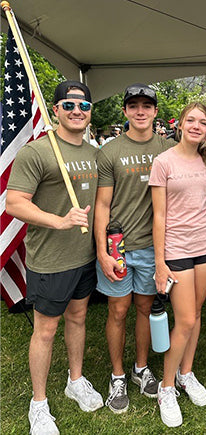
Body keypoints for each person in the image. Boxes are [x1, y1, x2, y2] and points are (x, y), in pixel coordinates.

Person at [6, 81, 103, 435]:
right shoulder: (39, 152)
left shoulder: (95, 153)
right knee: (45, 330)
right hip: (49, 260)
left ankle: (75, 380)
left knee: (78, 318)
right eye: (69, 104)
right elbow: (14, 202)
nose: (77, 111)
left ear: (91, 112)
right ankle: (39, 404)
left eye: (83, 105)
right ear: (56, 109)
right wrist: (59, 221)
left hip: (85, 257)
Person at [94, 83, 175, 414]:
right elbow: (102, 204)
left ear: (155, 112)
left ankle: (140, 368)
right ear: (125, 111)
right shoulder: (109, 151)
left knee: (144, 309)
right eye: (133, 105)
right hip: (119, 248)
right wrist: (102, 251)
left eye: (146, 105)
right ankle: (117, 376)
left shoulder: (170, 149)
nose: (140, 111)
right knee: (118, 311)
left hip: (152, 247)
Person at [149, 102, 206, 427]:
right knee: (186, 320)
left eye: (202, 122)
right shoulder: (163, 161)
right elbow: (159, 215)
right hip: (176, 249)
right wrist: (160, 263)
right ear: (180, 125)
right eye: (191, 120)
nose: (196, 126)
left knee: (196, 313)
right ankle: (166, 387)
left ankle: (185, 374)